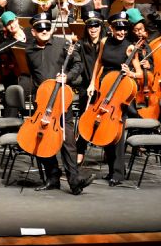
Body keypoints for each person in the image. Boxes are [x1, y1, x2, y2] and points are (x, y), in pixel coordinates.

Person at [24, 13, 95, 195]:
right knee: (42, 140)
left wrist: (67, 77)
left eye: (47, 27)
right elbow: (34, 74)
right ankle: (52, 179)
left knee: (68, 141)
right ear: (33, 31)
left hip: (62, 100)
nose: (45, 31)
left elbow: (77, 65)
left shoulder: (63, 44)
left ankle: (74, 181)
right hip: (43, 102)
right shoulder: (29, 50)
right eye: (40, 28)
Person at [85, 11, 142, 186]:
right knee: (104, 130)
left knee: (117, 134)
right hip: (105, 88)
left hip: (121, 92)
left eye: (125, 29)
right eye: (118, 28)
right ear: (111, 28)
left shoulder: (130, 47)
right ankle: (111, 171)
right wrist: (92, 83)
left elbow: (139, 74)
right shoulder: (104, 41)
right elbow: (99, 63)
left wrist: (130, 72)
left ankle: (118, 173)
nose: (122, 32)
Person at [75, 11, 107, 165]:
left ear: (101, 27)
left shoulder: (107, 44)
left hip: (105, 87)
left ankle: (108, 150)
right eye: (90, 26)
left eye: (96, 25)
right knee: (84, 119)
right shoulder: (81, 45)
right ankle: (80, 151)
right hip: (86, 87)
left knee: (106, 120)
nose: (93, 29)